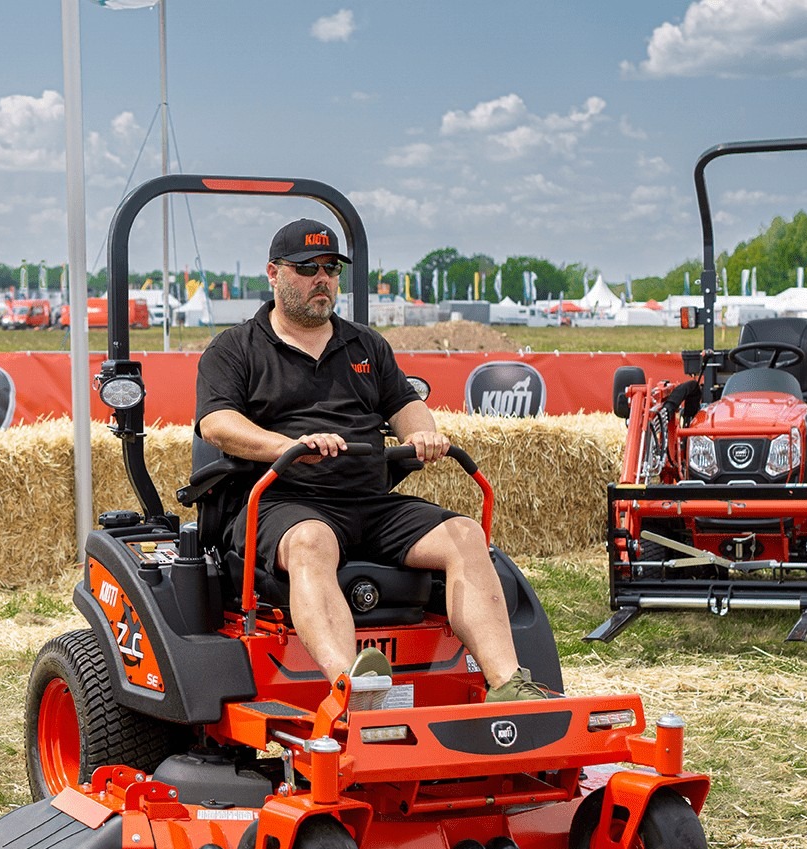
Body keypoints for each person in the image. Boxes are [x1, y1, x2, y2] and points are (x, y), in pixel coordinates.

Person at [194, 218, 547, 702]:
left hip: (370, 501)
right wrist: (287, 447)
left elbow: (404, 404)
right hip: (285, 501)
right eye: (307, 269)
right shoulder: (235, 348)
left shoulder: (365, 345)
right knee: (312, 541)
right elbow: (217, 423)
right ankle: (353, 690)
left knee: (466, 535)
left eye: (330, 269)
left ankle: (509, 685)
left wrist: (422, 434)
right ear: (273, 273)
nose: (322, 279)